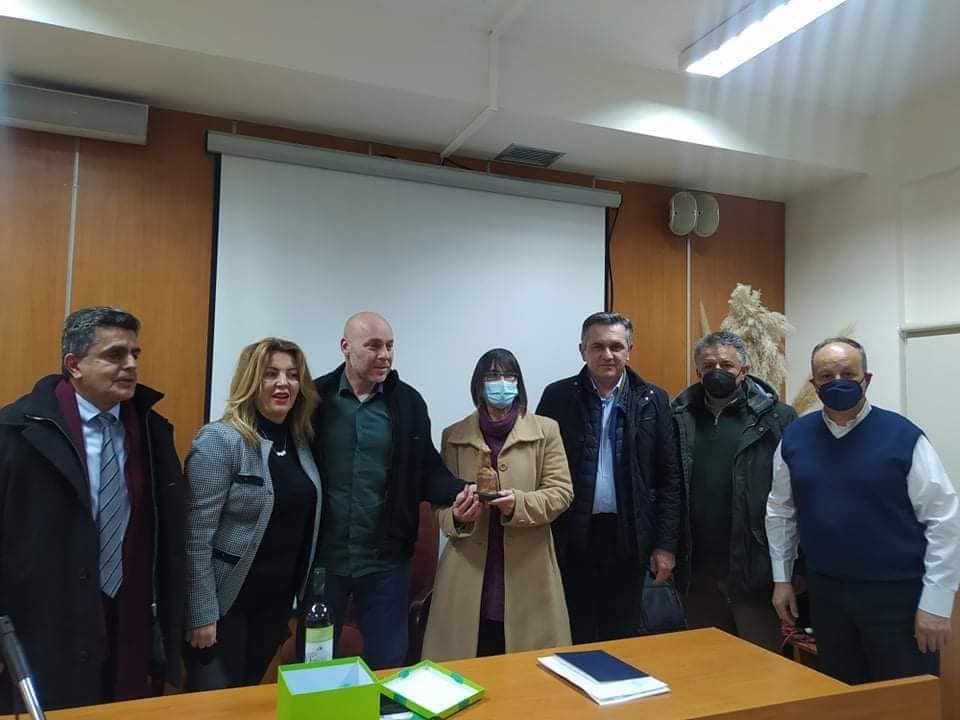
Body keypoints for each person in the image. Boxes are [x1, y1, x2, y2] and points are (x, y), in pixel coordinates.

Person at [0, 307, 185, 711]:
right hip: (44, 623)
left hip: (130, 619)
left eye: (134, 353)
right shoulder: (16, 431)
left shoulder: (152, 432)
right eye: (115, 355)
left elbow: (170, 537)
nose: (131, 365)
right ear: (74, 365)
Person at [767, 337, 960, 683]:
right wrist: (782, 579)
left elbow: (944, 520)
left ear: (866, 379)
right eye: (826, 376)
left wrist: (937, 602)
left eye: (848, 373)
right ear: (814, 383)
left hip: (897, 597)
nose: (837, 381)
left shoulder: (904, 437)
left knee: (905, 697)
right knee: (843, 693)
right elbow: (780, 512)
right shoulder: (794, 438)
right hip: (827, 596)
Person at [312, 312, 480, 669]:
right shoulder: (315, 398)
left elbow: (426, 470)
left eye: (389, 346)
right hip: (324, 560)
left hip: (384, 561)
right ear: (345, 347)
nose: (385, 355)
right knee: (315, 660)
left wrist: (462, 493)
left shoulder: (408, 403)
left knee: (388, 664)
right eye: (373, 346)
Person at [184, 338, 323, 689]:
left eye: (292, 375)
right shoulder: (220, 441)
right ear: (250, 380)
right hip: (226, 607)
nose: (283, 383)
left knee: (247, 696)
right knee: (214, 705)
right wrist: (202, 613)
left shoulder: (300, 442)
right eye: (270, 374)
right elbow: (194, 538)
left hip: (275, 606)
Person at [537, 312, 683, 643]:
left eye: (616, 346)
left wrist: (665, 546)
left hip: (629, 536)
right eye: (597, 346)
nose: (608, 355)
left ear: (629, 350)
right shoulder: (558, 397)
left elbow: (670, 478)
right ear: (582, 351)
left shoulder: (653, 399)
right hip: (572, 537)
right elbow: (540, 469)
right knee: (573, 632)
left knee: (622, 634)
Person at [423, 349, 573, 660]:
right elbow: (439, 504)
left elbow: (561, 493)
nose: (501, 382)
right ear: (478, 384)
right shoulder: (453, 436)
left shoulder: (546, 431)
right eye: (492, 376)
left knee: (526, 671)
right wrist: (457, 516)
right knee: (468, 661)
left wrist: (518, 503)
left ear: (519, 382)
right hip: (467, 572)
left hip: (529, 569)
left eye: (508, 375)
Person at [672, 331, 796, 651]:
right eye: (709, 365)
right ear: (698, 372)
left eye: (726, 365)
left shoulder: (778, 418)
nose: (718, 371)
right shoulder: (678, 417)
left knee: (762, 664)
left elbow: (792, 498)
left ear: (744, 369)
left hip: (754, 569)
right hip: (697, 571)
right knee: (707, 664)